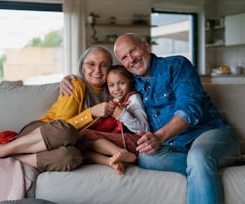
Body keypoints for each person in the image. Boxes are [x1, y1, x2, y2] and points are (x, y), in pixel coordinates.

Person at [60, 33, 241, 204]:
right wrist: (71, 79)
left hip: (208, 133)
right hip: (174, 148)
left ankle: (206, 161)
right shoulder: (129, 81)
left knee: (199, 156)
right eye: (124, 58)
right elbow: (102, 80)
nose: (131, 59)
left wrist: (159, 137)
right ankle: (205, 165)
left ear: (145, 46)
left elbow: (190, 109)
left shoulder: (176, 65)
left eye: (133, 51)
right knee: (147, 159)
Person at [0, 45, 116, 172]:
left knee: (71, 157)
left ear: (110, 69)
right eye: (91, 64)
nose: (97, 70)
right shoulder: (76, 84)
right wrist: (91, 113)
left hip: (65, 145)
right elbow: (61, 125)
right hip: (41, 132)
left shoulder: (113, 93)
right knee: (66, 131)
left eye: (104, 65)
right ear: (82, 68)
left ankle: (12, 158)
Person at [79, 64, 150, 175]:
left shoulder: (133, 98)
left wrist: (122, 114)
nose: (116, 89)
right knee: (80, 148)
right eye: (111, 85)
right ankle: (111, 162)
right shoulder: (114, 100)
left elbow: (143, 128)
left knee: (86, 135)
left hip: (135, 142)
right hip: (120, 141)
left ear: (130, 82)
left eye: (121, 83)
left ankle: (121, 153)